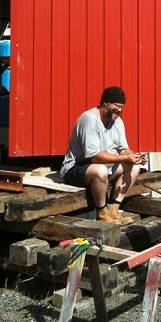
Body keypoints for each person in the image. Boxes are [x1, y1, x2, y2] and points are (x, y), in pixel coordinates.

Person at [59, 86, 146, 224]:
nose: (119, 110)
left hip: (102, 166)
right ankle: (102, 214)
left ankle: (114, 211)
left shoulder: (117, 122)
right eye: (117, 106)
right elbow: (94, 157)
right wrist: (124, 157)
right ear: (106, 103)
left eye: (122, 107)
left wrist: (135, 157)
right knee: (100, 170)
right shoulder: (89, 119)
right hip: (76, 168)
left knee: (134, 167)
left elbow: (124, 149)